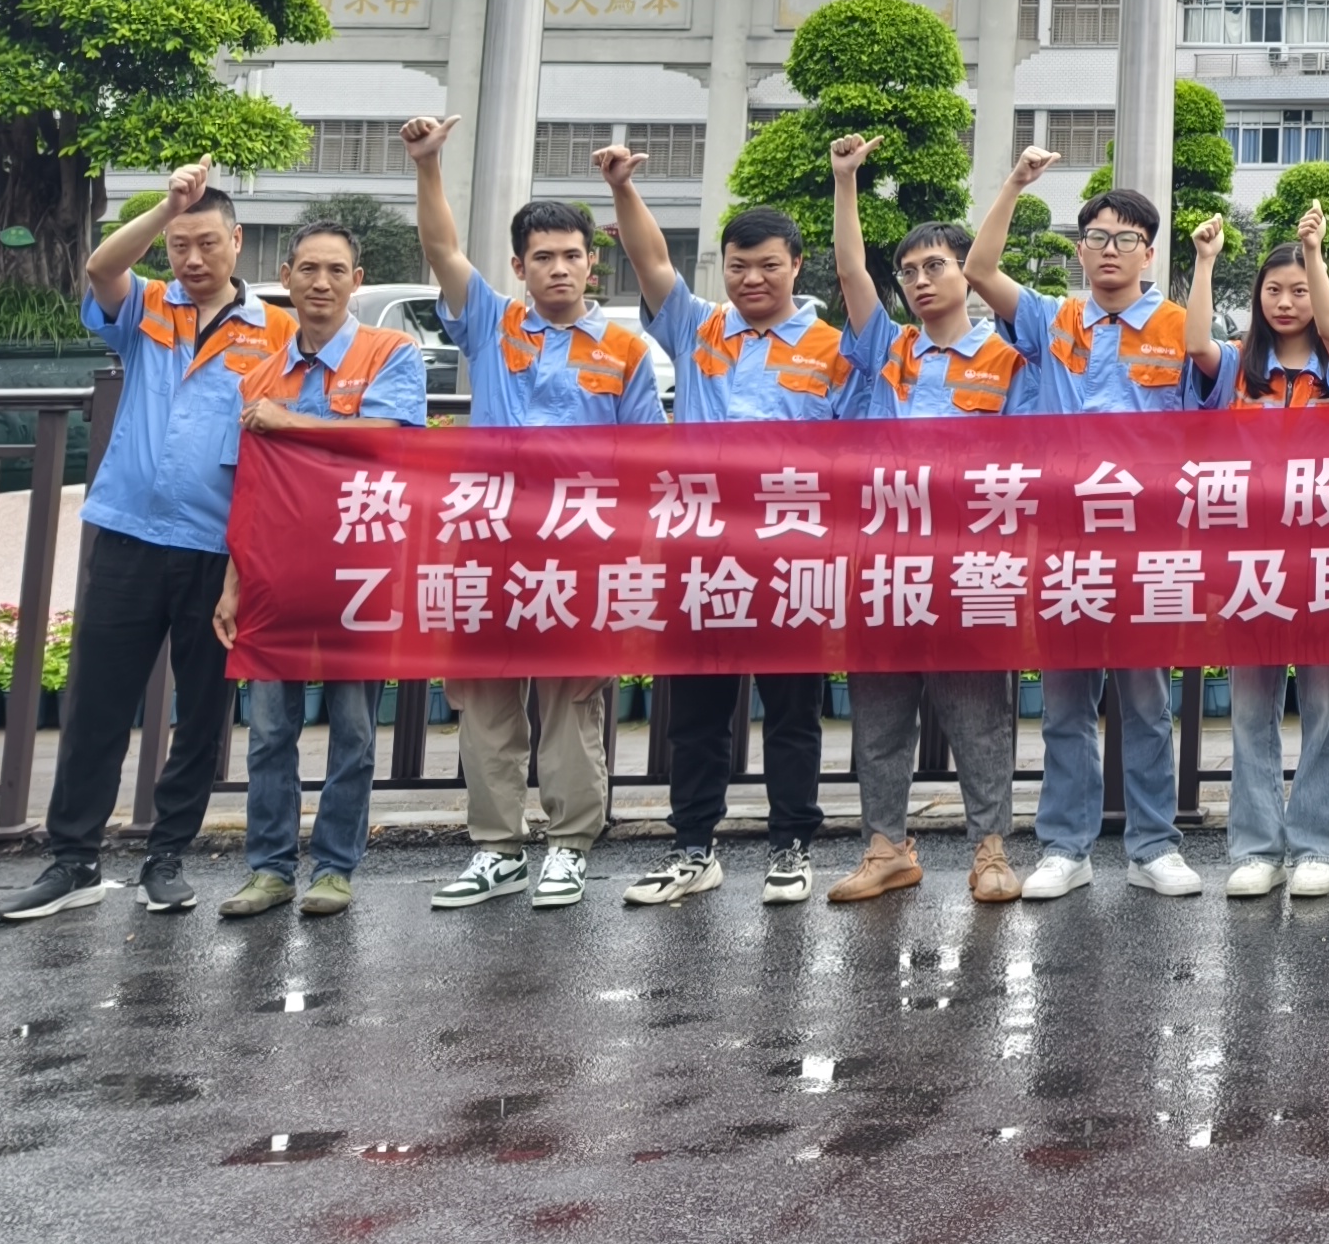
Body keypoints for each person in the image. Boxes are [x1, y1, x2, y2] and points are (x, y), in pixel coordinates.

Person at [1, 160, 290, 923]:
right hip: (130, 532)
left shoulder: (276, 333)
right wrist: (167, 206)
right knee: (98, 703)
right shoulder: (150, 309)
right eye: (179, 246)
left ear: (238, 243)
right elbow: (100, 266)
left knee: (200, 713)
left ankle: (167, 855)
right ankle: (74, 860)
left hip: (218, 548)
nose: (192, 261)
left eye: (207, 244)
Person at [393, 113, 659, 915]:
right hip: (486, 544)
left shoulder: (625, 353)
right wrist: (428, 166)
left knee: (572, 702)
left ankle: (570, 845)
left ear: (592, 264)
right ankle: (496, 847)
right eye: (542, 257)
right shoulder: (492, 321)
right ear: (518, 266)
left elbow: (645, 463)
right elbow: (442, 251)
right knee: (485, 697)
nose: (559, 269)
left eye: (572, 256)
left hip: (580, 549)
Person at [966, 152, 1216, 904]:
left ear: (1149, 251)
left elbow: (1209, 377)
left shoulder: (1178, 325)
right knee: (1067, 700)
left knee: (1145, 698)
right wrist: (1013, 184)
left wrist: (1204, 266)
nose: (1110, 248)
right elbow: (979, 270)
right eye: (1097, 236)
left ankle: (1153, 847)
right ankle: (1065, 848)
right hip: (1065, 537)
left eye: (1125, 237)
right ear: (1080, 249)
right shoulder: (1054, 318)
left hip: (1145, 541)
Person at [603, 150, 841, 910]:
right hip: (701, 550)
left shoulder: (835, 350)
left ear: (797, 266)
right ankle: (693, 847)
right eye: (738, 267)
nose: (751, 280)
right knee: (696, 712)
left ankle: (791, 845)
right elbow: (650, 260)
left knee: (793, 710)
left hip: (793, 552)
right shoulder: (699, 329)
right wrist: (624, 186)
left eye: (768, 266)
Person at [822, 132, 1028, 906]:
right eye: (908, 272)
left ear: (966, 275)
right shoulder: (888, 351)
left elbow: (1032, 467)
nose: (918, 281)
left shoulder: (1009, 362)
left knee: (979, 712)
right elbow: (850, 273)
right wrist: (847, 182)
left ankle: (990, 850)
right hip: (885, 560)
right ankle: (886, 847)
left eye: (934, 266)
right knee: (878, 708)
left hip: (972, 561)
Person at [215, 214, 430, 921]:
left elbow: (394, 441)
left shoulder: (391, 351)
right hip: (275, 577)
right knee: (271, 730)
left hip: (360, 573)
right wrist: (234, 583)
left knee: (355, 730)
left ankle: (335, 868)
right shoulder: (260, 371)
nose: (321, 282)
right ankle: (270, 868)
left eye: (337, 270)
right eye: (308, 268)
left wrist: (293, 423)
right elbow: (248, 487)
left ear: (357, 281)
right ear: (285, 278)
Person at [1212, 207, 1329, 904]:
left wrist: (1314, 250)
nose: (1287, 302)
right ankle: (1255, 847)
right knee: (1250, 712)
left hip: (1327, 566)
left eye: (1300, 289)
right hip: (1251, 566)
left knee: (1323, 712)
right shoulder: (1233, 372)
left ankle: (1314, 846)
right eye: (1274, 290)